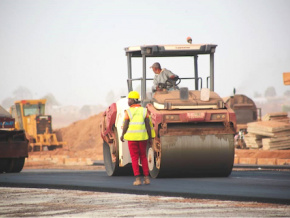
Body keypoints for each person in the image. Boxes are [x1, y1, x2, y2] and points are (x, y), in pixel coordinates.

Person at [120, 91, 154, 186]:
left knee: (134, 158)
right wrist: (150, 138)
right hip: (143, 137)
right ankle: (147, 179)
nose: (128, 101)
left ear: (133, 100)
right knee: (143, 156)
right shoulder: (144, 111)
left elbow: (126, 125)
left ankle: (138, 179)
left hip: (132, 138)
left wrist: (122, 135)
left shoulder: (128, 111)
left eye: (129, 99)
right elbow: (148, 125)